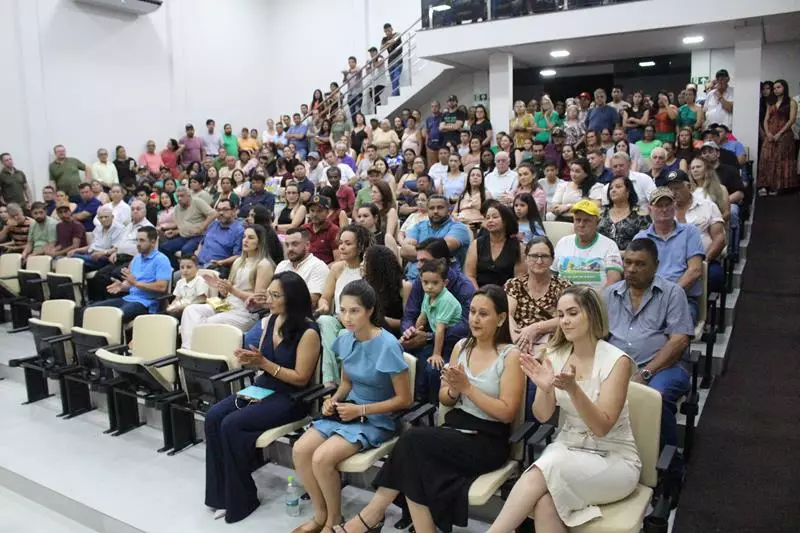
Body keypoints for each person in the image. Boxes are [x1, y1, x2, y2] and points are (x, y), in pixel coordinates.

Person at [339, 285, 523, 533]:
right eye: (473, 312)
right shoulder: (461, 347)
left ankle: (370, 517)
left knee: (412, 442)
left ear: (501, 318)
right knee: (416, 458)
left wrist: (468, 389)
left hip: (487, 439)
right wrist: (454, 390)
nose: (475, 319)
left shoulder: (510, 356)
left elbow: (507, 413)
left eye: (484, 314)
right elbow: (445, 399)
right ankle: (386, 520)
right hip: (456, 429)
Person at [486, 286, 639, 533]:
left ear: (591, 314)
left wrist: (574, 390)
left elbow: (601, 427)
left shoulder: (616, 361)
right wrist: (545, 390)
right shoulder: (555, 355)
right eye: (560, 314)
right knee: (546, 503)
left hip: (614, 458)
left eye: (572, 313)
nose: (564, 321)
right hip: (568, 447)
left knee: (548, 465)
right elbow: (543, 416)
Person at [292, 280, 412, 533]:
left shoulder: (388, 345)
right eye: (343, 310)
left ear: (369, 310)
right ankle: (321, 515)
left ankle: (334, 520)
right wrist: (333, 400)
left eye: (354, 311)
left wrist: (362, 411)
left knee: (322, 459)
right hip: (349, 411)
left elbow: (404, 400)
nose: (347, 317)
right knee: (301, 450)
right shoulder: (346, 338)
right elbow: (346, 381)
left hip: (377, 418)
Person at [205, 272, 321, 524]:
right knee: (214, 416)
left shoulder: (309, 332)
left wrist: (264, 363)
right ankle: (220, 495)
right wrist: (249, 359)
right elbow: (261, 361)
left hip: (290, 397)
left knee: (232, 424)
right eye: (268, 293)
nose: (268, 299)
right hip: (263, 387)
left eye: (275, 295)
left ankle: (242, 498)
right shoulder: (270, 321)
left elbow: (301, 378)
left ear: (292, 299)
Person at [605, 237, 693, 458]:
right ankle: (614, 456)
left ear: (656, 265)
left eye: (640, 264)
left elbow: (679, 340)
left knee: (655, 397)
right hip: (617, 366)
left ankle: (668, 462)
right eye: (628, 262)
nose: (632, 269)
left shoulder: (673, 293)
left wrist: (646, 373)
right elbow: (596, 334)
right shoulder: (609, 294)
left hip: (663, 368)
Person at [180, 224, 274, 348]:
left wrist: (232, 290)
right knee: (191, 311)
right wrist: (222, 287)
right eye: (244, 237)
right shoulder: (238, 261)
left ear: (260, 242)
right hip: (228, 305)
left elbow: (258, 300)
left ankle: (197, 353)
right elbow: (228, 292)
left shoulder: (264, 264)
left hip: (246, 312)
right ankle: (187, 350)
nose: (245, 240)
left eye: (251, 238)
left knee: (207, 323)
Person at [634, 188, 705, 323]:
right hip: (647, 298)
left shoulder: (690, 232)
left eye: (668, 205)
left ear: (674, 207)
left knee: (672, 325)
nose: (664, 209)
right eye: (659, 205)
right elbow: (634, 273)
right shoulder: (641, 237)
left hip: (682, 298)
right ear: (650, 209)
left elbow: (695, 270)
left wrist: (669, 295)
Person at [316, 225, 372, 386]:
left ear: (360, 246)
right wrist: (324, 305)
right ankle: (330, 382)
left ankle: (342, 384)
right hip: (339, 318)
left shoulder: (368, 269)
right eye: (340, 243)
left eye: (348, 243)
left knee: (343, 335)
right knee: (325, 321)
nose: (342, 247)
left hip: (361, 321)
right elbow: (325, 297)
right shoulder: (336, 268)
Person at [88, 226, 172, 322]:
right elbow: (130, 283)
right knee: (90, 310)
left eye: (142, 240)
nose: (138, 244)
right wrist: (122, 286)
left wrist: (136, 283)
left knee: (112, 318)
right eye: (137, 240)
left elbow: (162, 287)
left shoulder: (161, 260)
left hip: (146, 303)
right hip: (128, 298)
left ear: (153, 242)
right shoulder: (136, 259)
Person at [668, 169, 727, 293]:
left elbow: (719, 238)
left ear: (688, 186)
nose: (673, 192)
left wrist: (705, 260)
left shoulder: (707, 206)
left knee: (715, 277)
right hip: (672, 261)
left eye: (677, 188)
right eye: (670, 189)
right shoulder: (664, 210)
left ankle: (701, 307)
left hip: (704, 259)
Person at [85, 200, 152, 301]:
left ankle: (115, 302)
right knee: (100, 275)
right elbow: (121, 243)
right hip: (120, 257)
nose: (135, 211)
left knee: (115, 274)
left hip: (134, 259)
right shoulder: (129, 226)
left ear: (145, 211)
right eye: (132, 209)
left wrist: (132, 260)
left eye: (138, 209)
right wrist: (115, 252)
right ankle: (99, 302)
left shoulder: (148, 228)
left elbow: (147, 250)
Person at [553, 199, 623, 290]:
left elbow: (613, 281)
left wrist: (597, 301)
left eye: (586, 221)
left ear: (597, 222)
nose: (581, 224)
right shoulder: (563, 242)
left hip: (595, 301)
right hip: (563, 300)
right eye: (578, 220)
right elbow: (552, 274)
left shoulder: (610, 245)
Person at [400, 195, 471, 281]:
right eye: (431, 208)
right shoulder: (418, 226)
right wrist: (434, 257)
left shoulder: (459, 228)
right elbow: (404, 250)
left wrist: (417, 255)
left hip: (443, 282)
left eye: (440, 208)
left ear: (449, 210)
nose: (435, 211)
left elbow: (442, 248)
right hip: (412, 279)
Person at [465, 201, 524, 288]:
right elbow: (470, 276)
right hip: (479, 294)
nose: (490, 220)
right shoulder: (476, 244)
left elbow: (519, 279)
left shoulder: (518, 247)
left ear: (505, 221)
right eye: (487, 218)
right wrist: (478, 295)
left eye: (495, 217)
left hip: (507, 295)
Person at [159, 187, 217, 269]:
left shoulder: (197, 202)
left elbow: (214, 214)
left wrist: (201, 227)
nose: (179, 198)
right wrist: (174, 232)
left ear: (189, 195)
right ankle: (175, 268)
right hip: (183, 237)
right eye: (177, 196)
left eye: (182, 196)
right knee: (163, 247)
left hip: (199, 236)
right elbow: (181, 225)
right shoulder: (177, 208)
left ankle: (188, 271)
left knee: (186, 249)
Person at [758, 79, 799, 194]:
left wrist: (779, 134)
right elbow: (766, 120)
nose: (776, 90)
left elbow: (791, 120)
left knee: (781, 159)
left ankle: (779, 186)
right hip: (770, 135)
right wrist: (768, 133)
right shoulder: (770, 103)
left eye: (778, 87)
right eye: (774, 88)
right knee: (766, 157)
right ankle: (766, 186)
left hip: (784, 135)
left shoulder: (791, 102)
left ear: (784, 88)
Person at [274, 228, 330, 308]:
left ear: (307, 245)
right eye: (287, 245)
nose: (290, 249)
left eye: (294, 244)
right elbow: (271, 294)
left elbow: (311, 301)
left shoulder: (318, 266)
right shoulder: (282, 265)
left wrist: (278, 301)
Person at [598, 176, 651, 251]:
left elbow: (645, 243)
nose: (613, 190)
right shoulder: (601, 213)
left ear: (628, 191)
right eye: (611, 188)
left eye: (618, 187)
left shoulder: (640, 214)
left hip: (630, 258)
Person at [69, 205, 125, 275]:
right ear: (98, 219)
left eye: (106, 217)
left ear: (112, 217)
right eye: (101, 217)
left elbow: (117, 248)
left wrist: (102, 253)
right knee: (73, 256)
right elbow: (92, 246)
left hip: (105, 257)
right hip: (92, 255)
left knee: (75, 260)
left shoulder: (119, 228)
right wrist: (77, 250)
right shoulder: (98, 228)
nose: (103, 219)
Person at [195, 199, 244, 274]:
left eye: (225, 210)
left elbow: (238, 255)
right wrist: (197, 254)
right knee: (176, 277)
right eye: (219, 210)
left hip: (216, 268)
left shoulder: (239, 231)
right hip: (198, 264)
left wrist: (221, 262)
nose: (221, 213)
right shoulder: (213, 224)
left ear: (233, 211)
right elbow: (202, 243)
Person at [303, 195, 340, 265]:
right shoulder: (304, 228)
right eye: (312, 210)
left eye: (319, 211)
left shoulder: (333, 230)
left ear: (327, 212)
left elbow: (338, 260)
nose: (314, 214)